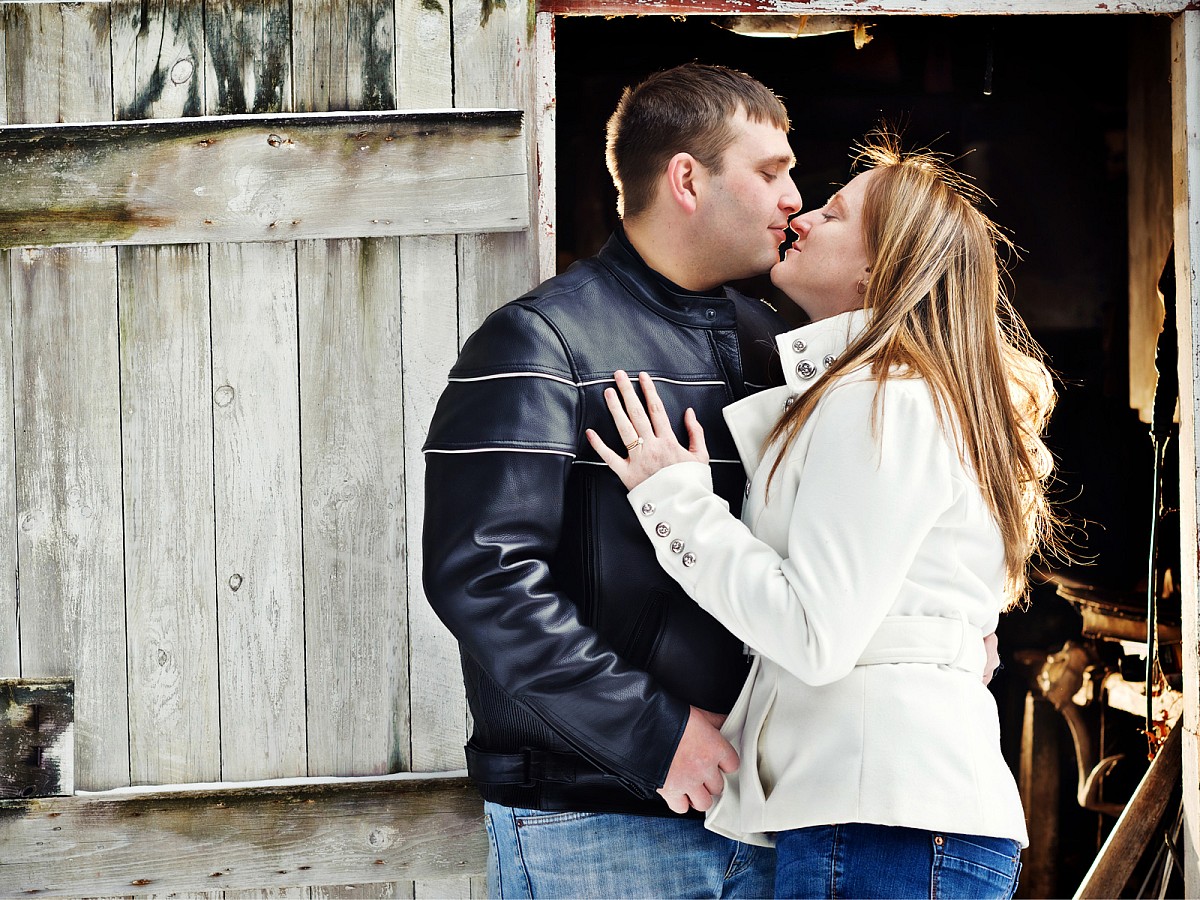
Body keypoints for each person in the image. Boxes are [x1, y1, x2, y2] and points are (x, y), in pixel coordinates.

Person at [588, 136, 1054, 899]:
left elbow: (814, 634)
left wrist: (676, 501)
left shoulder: (883, 396)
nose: (801, 215)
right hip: (890, 817)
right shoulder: (906, 393)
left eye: (834, 215)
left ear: (880, 267)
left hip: (882, 823)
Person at [421, 63, 802, 898]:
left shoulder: (779, 346)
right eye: (771, 172)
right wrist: (654, 734)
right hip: (598, 823)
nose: (794, 200)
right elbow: (482, 577)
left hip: (773, 815)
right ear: (687, 179)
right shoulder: (538, 343)